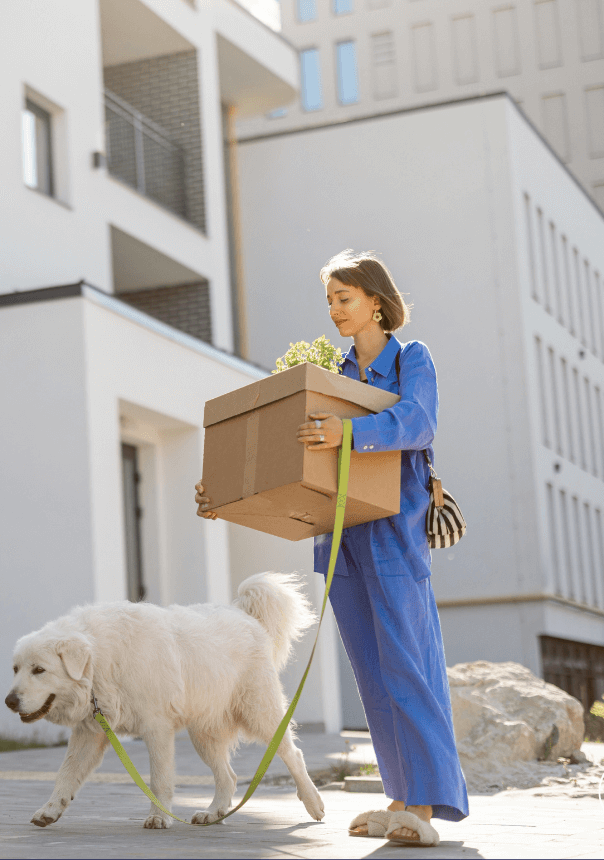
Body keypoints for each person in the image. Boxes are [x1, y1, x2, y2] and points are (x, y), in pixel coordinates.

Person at [194, 250, 468, 846]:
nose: (335, 310)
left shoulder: (412, 359)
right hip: (342, 537)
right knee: (371, 671)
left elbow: (419, 421)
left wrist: (353, 431)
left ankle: (424, 807)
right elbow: (295, 459)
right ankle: (398, 797)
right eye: (330, 301)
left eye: (344, 298)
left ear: (376, 299)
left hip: (394, 531)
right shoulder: (331, 372)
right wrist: (225, 493)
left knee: (408, 664)